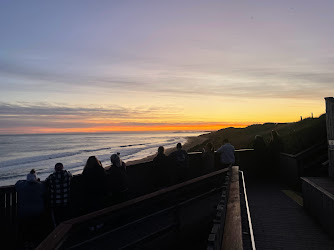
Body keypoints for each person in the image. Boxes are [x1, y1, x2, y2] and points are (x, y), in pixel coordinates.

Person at [15, 169, 47, 248]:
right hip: (38, 212)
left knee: (25, 229)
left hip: (24, 213)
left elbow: (17, 183)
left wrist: (24, 181)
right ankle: (36, 243)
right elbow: (44, 189)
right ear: (35, 179)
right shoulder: (40, 186)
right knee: (36, 228)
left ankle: (27, 244)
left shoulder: (22, 186)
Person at [45, 163, 72, 227]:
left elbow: (46, 182)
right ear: (62, 167)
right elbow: (71, 176)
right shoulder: (68, 175)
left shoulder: (51, 177)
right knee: (66, 219)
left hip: (55, 203)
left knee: (57, 221)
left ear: (55, 169)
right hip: (66, 201)